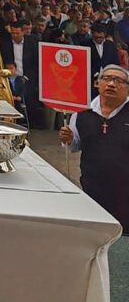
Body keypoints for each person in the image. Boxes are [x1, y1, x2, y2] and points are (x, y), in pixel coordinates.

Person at [60, 65, 129, 233]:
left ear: (127, 87)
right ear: (97, 84)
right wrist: (67, 138)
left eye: (118, 81)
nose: (111, 84)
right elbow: (75, 144)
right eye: (106, 79)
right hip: (92, 189)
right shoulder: (82, 113)